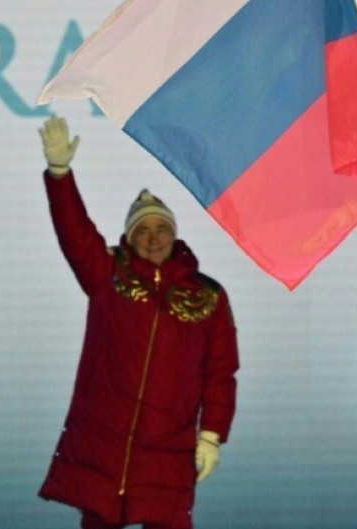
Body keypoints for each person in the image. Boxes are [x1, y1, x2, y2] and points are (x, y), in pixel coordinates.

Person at [36, 116, 240, 529]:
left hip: (169, 449)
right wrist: (60, 173)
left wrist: (212, 434)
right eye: (142, 229)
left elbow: (221, 373)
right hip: (104, 445)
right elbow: (74, 232)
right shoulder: (108, 275)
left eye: (160, 227)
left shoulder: (208, 296)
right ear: (129, 237)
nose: (152, 237)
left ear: (174, 235)